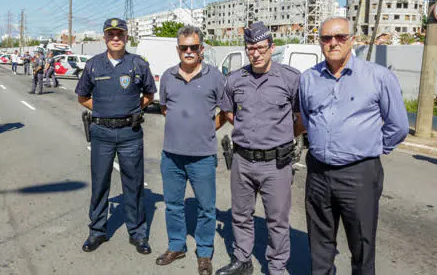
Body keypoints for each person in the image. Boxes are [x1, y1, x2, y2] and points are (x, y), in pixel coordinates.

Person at [299, 17, 409, 275]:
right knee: (319, 242)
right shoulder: (308, 79)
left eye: (340, 37)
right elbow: (307, 118)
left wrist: (370, 148)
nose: (333, 43)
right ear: (320, 42)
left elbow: (399, 126)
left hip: (359, 173)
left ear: (352, 40)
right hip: (318, 173)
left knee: (361, 243)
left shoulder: (378, 77)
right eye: (327, 38)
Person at [215, 22, 303, 275]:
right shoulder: (234, 79)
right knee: (241, 215)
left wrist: (281, 138)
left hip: (276, 163)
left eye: (261, 48)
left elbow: (300, 119)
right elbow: (229, 113)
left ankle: (276, 267)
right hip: (242, 160)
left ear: (272, 48)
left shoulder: (290, 78)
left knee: (277, 220)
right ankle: (243, 261)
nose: (255, 53)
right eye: (250, 48)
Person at [75, 18, 156, 255]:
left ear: (126, 37)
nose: (116, 38)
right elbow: (82, 97)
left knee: (134, 183)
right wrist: (101, 110)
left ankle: (138, 233)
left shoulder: (138, 64)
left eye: (120, 34)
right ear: (105, 38)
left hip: (130, 133)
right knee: (100, 183)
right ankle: (97, 231)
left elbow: (150, 94)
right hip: (102, 132)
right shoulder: (93, 65)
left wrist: (131, 110)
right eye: (111, 34)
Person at [155, 26, 225, 275]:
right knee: (173, 205)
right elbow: (165, 109)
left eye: (193, 47)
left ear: (201, 49)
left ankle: (204, 252)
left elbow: (224, 112)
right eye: (183, 47)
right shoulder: (167, 76)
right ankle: (177, 245)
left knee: (206, 208)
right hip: (171, 155)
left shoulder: (215, 77)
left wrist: (206, 128)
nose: (188, 51)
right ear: (178, 49)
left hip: (203, 157)